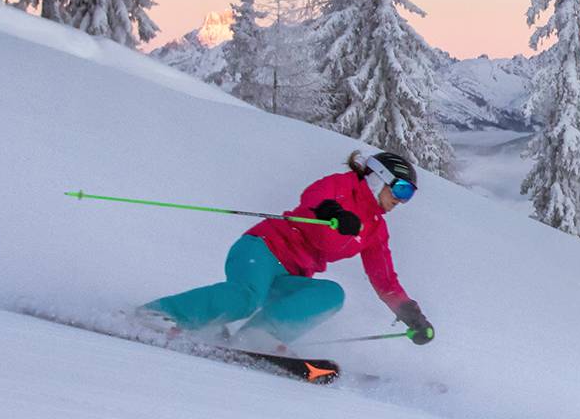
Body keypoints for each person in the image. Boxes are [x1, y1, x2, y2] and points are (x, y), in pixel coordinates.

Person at [141, 151, 434, 354]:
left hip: (291, 275)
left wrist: (410, 314)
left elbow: (384, 279)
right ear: (377, 178)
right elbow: (314, 195)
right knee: (246, 297)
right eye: (401, 190)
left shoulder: (375, 230)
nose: (400, 200)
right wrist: (332, 211)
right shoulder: (344, 186)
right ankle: (158, 315)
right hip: (262, 250)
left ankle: (256, 337)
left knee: (331, 294)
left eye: (408, 196)